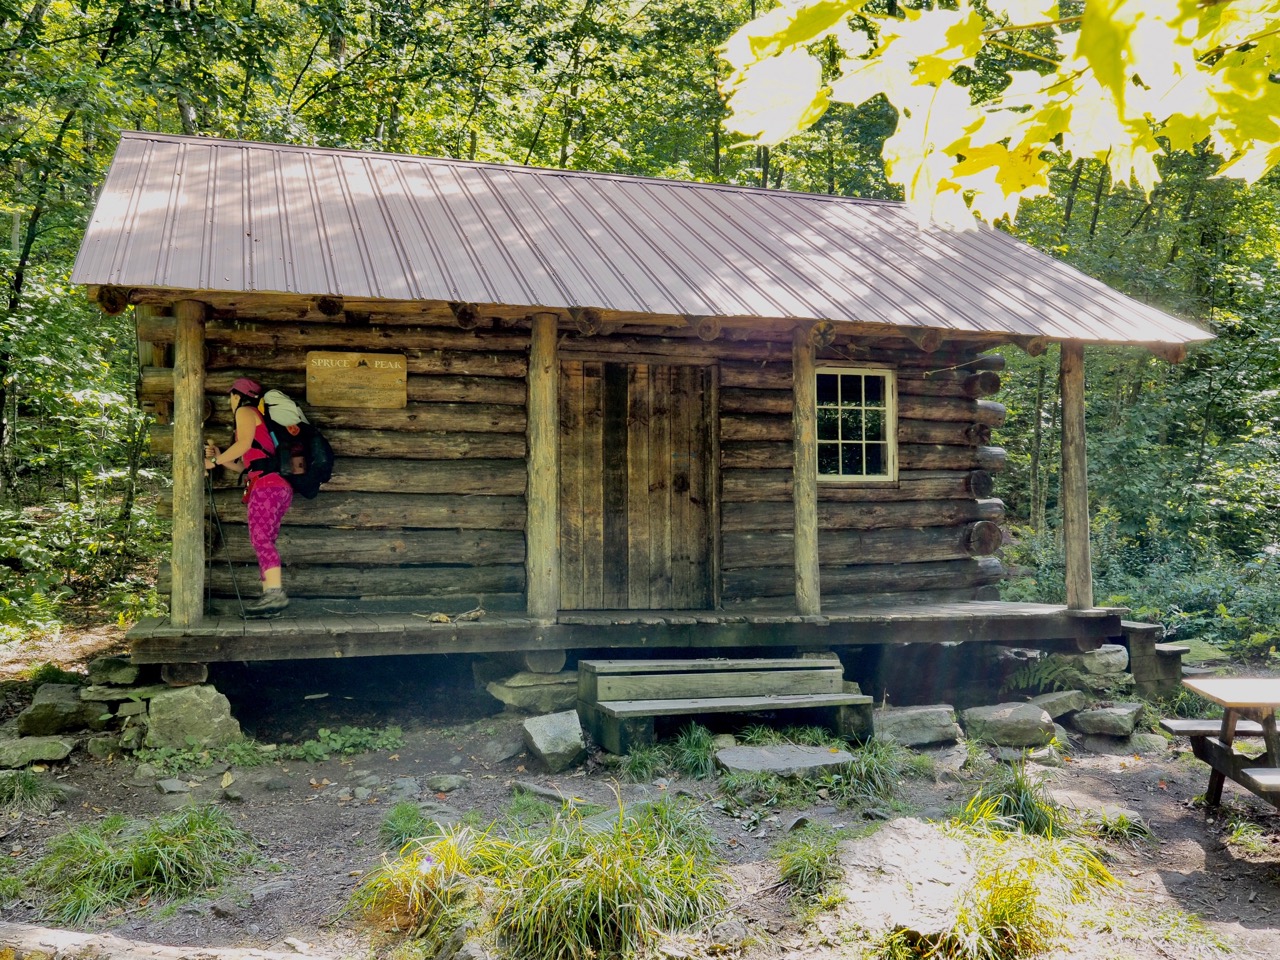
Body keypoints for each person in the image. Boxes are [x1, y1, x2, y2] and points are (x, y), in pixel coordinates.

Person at [204, 377, 292, 616]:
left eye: (230, 396)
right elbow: (244, 464)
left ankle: (274, 594)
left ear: (236, 395)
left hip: (266, 486)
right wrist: (222, 457)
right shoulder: (259, 418)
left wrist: (212, 461)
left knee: (260, 539)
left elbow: (242, 444)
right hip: (275, 485)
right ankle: (269, 601)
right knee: (264, 540)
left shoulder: (245, 411)